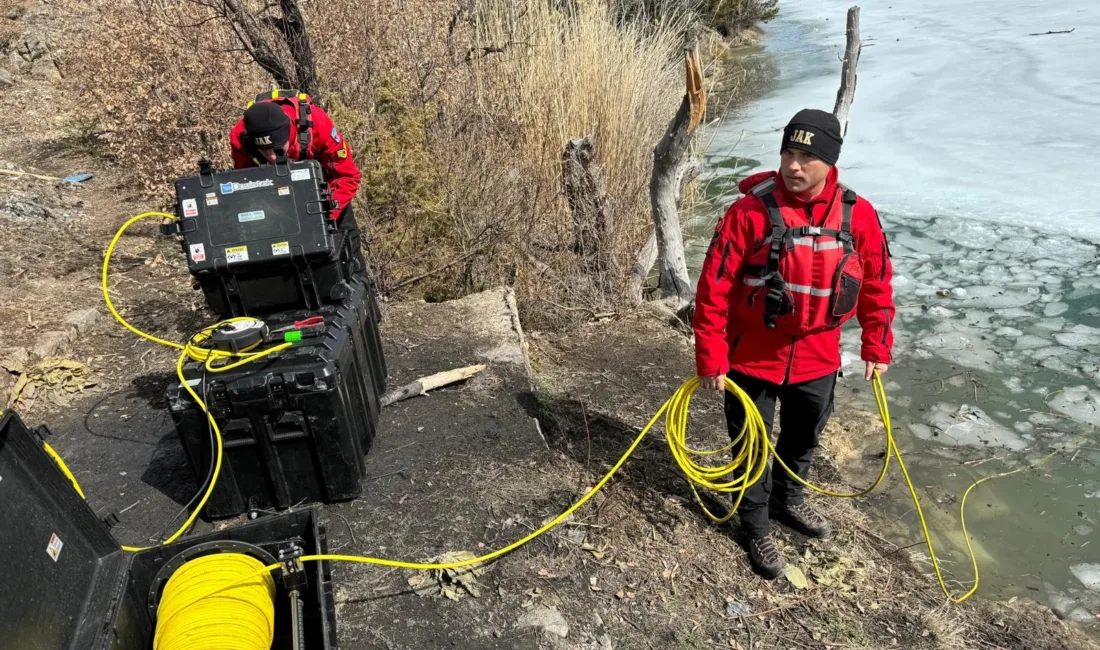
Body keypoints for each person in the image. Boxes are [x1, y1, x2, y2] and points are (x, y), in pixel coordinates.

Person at [692, 108, 895, 579]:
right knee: (751, 446)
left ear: (830, 161)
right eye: (788, 152)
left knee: (803, 439)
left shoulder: (856, 213)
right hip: (751, 359)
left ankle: (789, 500)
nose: (793, 165)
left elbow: (877, 283)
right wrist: (711, 358)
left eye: (806, 156)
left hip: (819, 358)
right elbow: (714, 288)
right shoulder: (748, 211)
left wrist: (876, 345)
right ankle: (756, 524)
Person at [229, 90, 366, 275]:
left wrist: (324, 216)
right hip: (274, 196)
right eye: (264, 151)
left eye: (276, 150)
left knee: (349, 258)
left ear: (289, 133)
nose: (270, 157)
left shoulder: (317, 123)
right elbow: (246, 186)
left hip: (325, 194)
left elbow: (347, 176)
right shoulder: (240, 138)